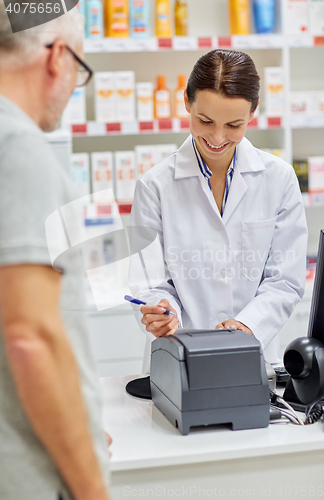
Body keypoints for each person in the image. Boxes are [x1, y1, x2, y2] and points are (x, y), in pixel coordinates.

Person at [129, 49, 308, 373]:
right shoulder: (155, 186)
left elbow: (285, 281)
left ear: (253, 112)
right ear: (187, 102)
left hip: (252, 355)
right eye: (205, 120)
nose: (217, 137)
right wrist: (162, 311)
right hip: (179, 357)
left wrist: (244, 325)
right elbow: (148, 282)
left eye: (234, 124)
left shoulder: (278, 179)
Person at [0, 3, 112, 500]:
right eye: (80, 72)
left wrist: (75, 421)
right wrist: (90, 484)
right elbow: (31, 339)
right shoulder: (18, 149)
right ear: (58, 57)